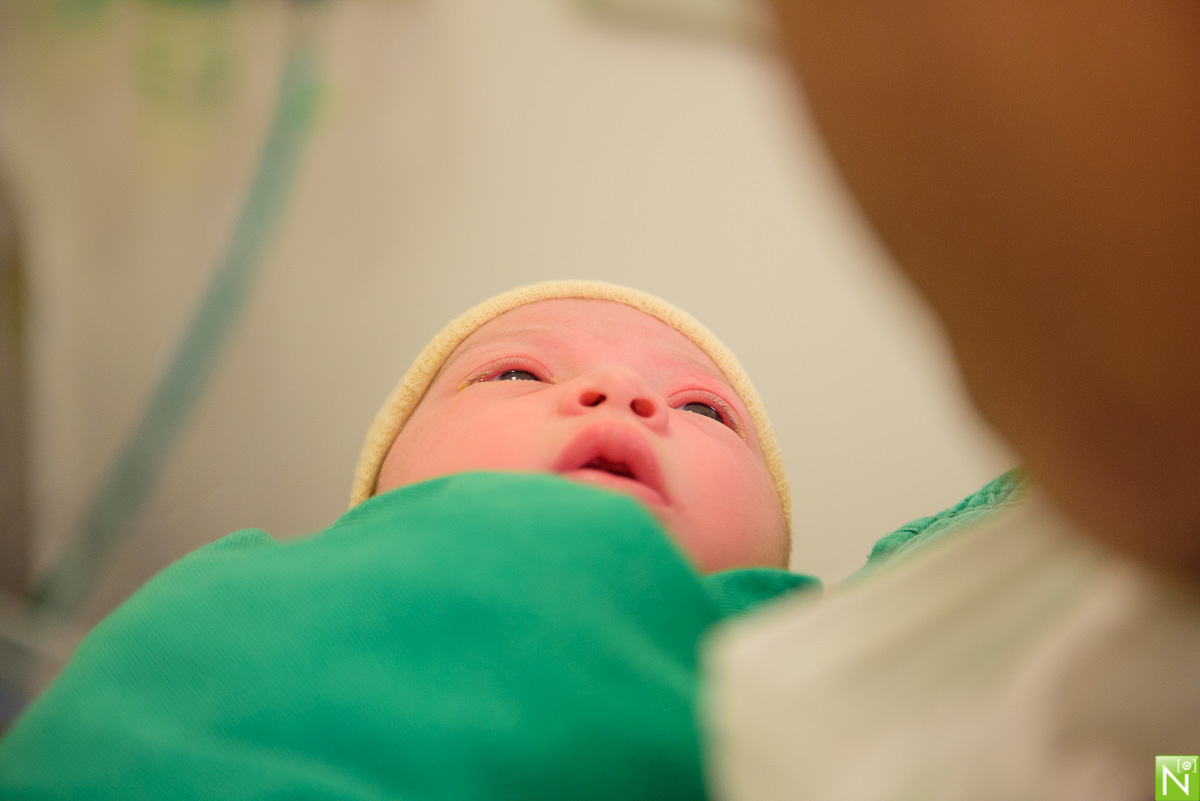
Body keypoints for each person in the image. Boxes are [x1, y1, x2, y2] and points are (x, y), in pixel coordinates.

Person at [0, 281, 851, 799]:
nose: (621, 389)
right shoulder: (264, 582)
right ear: (376, 494)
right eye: (517, 374)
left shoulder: (813, 660)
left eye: (705, 410)